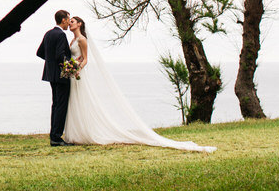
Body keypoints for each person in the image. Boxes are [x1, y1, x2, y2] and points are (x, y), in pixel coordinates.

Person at [63, 16, 216, 152]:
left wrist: (77, 69)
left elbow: (86, 58)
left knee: (83, 100)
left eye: (73, 22)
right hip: (74, 74)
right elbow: (76, 57)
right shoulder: (72, 40)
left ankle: (87, 132)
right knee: (75, 101)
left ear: (80, 24)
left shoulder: (82, 39)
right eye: (69, 22)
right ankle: (77, 132)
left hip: (80, 74)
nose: (70, 24)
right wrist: (71, 66)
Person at [36, 10, 74, 146]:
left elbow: (39, 53)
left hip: (50, 74)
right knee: (61, 106)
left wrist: (50, 62)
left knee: (55, 104)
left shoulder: (48, 33)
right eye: (68, 19)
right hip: (61, 75)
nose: (69, 22)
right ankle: (57, 137)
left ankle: (54, 136)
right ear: (63, 20)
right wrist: (70, 65)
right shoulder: (61, 35)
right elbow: (60, 55)